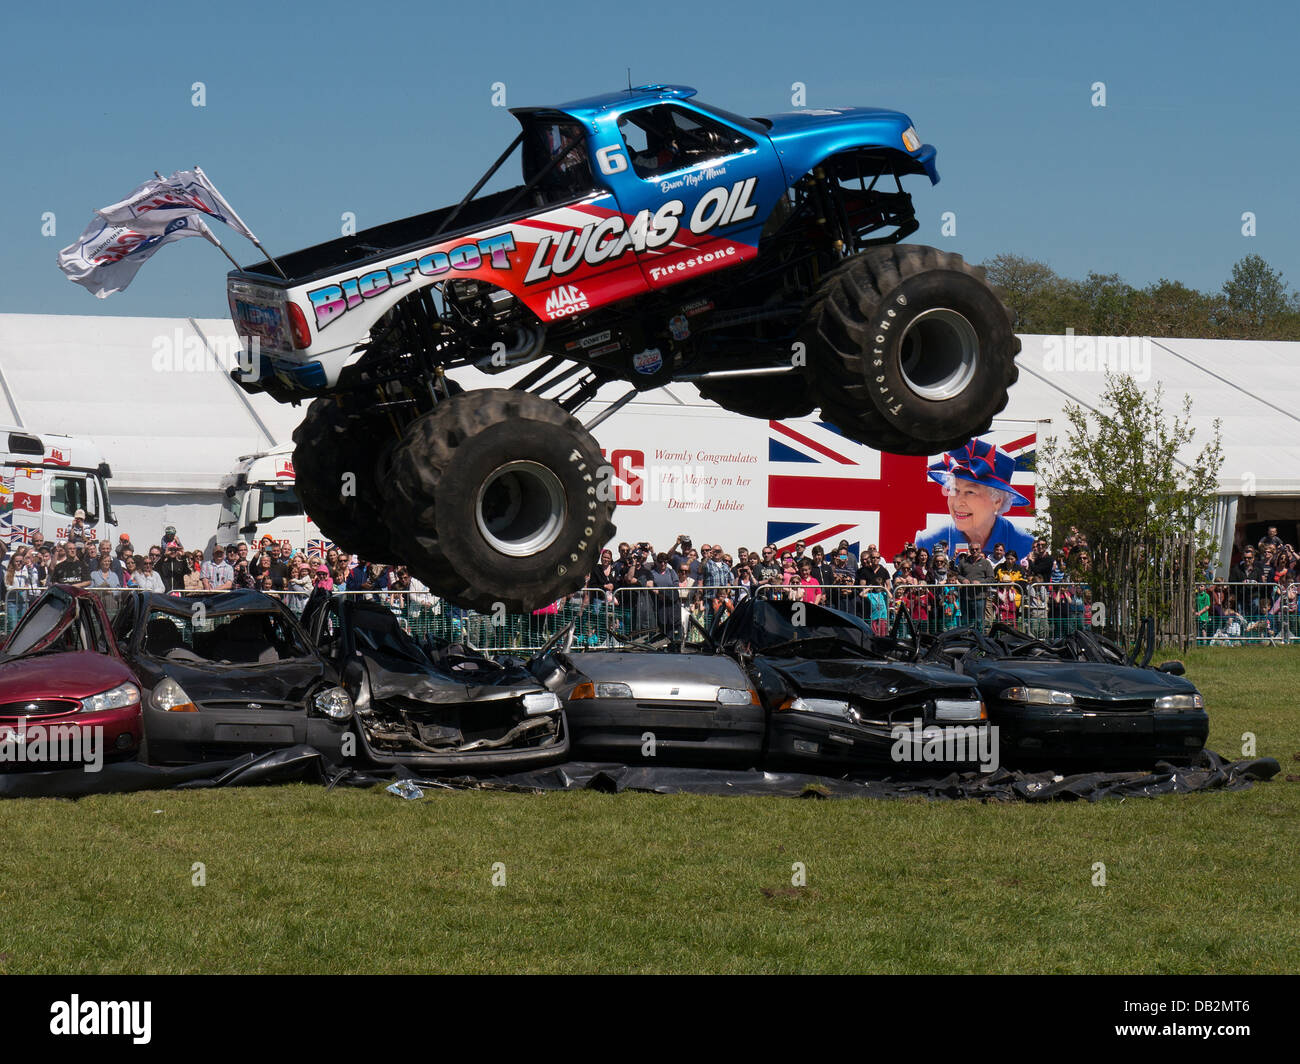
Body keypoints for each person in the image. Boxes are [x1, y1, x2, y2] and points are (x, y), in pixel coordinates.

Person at [915, 438, 1034, 561]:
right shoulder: (927, 542)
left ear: (998, 500)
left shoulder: (1026, 545)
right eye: (954, 489)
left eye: (970, 492)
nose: (958, 502)